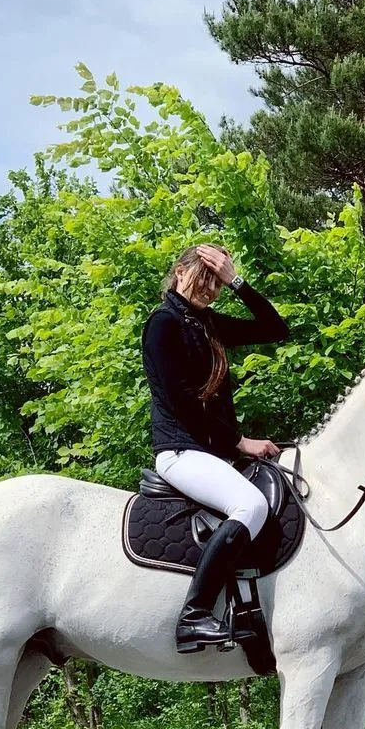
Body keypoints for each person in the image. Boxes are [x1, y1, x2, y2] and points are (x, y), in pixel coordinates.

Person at [142, 243, 289, 652]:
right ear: (180, 271)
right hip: (180, 451)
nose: (211, 288)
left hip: (209, 454)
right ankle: (194, 616)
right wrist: (238, 442)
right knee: (252, 506)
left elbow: (276, 328)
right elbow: (179, 400)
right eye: (204, 277)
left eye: (217, 281)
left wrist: (236, 279)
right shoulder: (163, 324)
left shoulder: (206, 324)